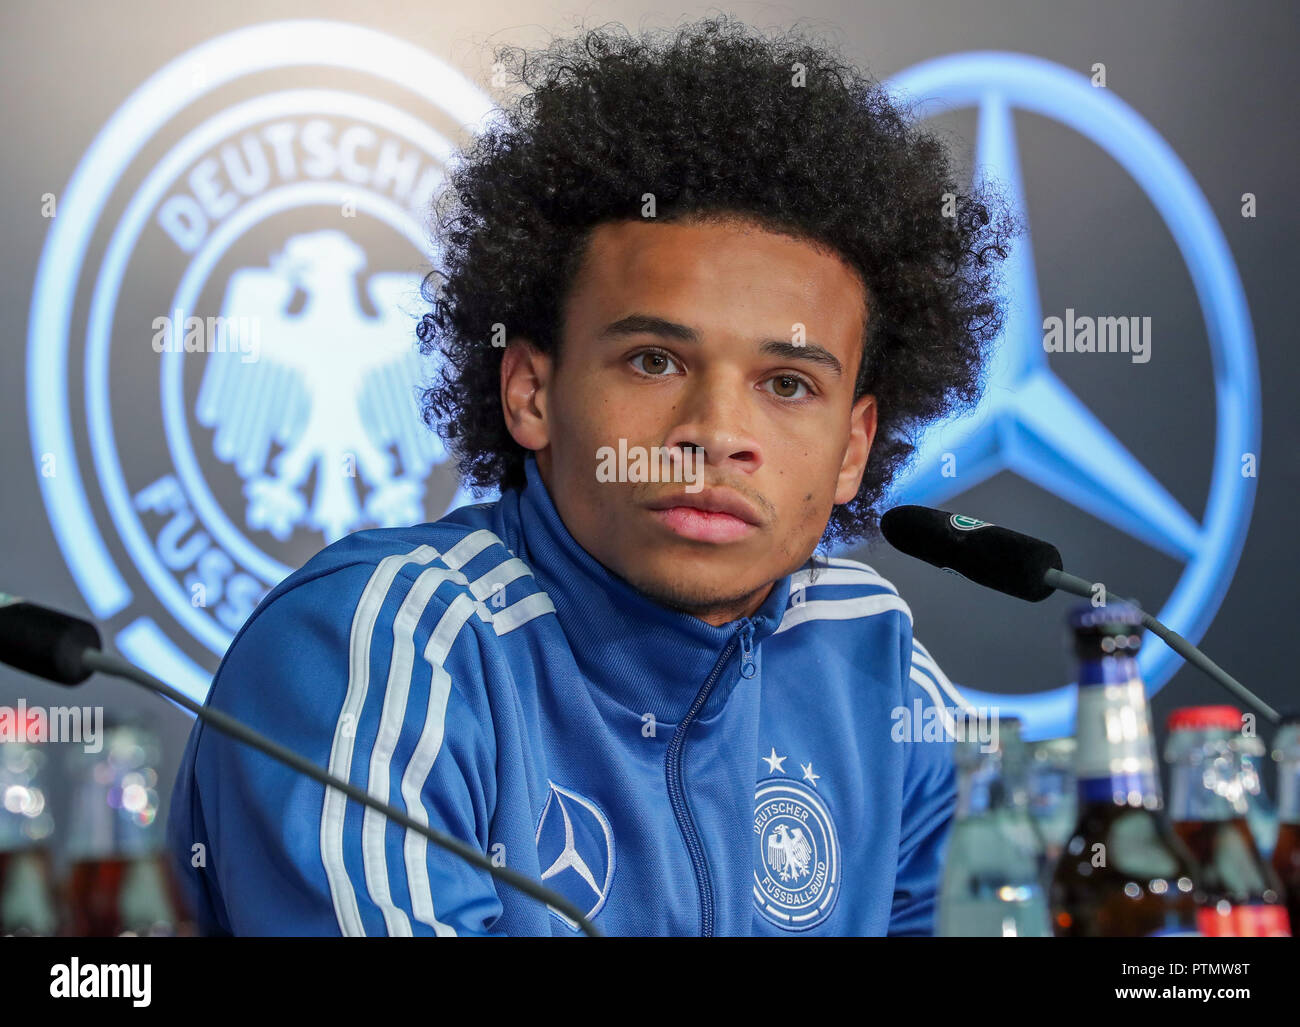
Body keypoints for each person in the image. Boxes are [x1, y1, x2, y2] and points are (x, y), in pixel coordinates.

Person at [167, 14, 1017, 936]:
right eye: (655, 361)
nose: (716, 434)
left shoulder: (876, 666)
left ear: (853, 447)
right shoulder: (379, 646)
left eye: (786, 383)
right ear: (531, 389)